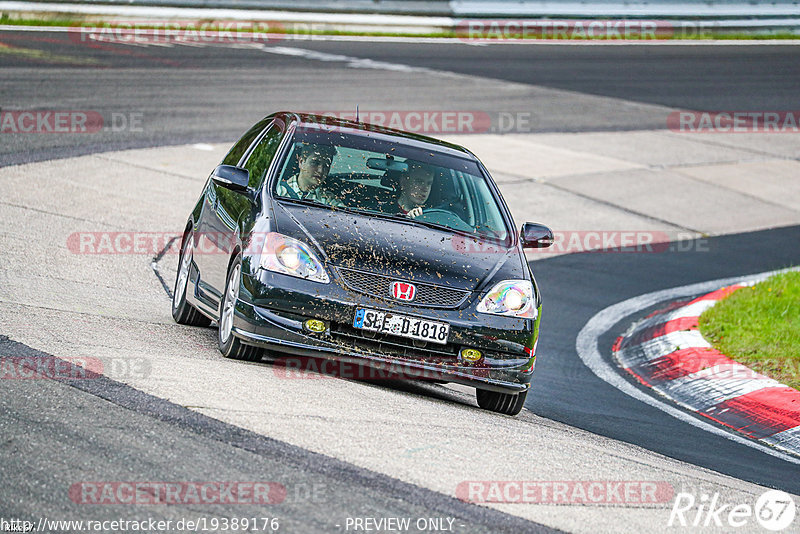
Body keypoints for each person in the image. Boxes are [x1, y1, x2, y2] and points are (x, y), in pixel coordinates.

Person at [277, 143, 344, 207]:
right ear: (301, 162)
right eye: (315, 163)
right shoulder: (278, 191)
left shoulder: (329, 200)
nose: (320, 170)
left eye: (326, 166)